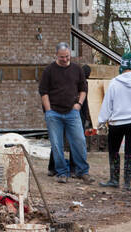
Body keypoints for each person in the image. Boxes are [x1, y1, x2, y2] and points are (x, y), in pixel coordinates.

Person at [96, 52, 131, 191]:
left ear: (121, 66)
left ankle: (114, 179)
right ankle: (127, 182)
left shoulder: (114, 83)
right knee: (130, 151)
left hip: (117, 123)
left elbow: (108, 103)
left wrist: (102, 121)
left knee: (114, 150)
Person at [38, 42, 91, 183]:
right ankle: (61, 172)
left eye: (67, 56)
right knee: (56, 144)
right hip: (54, 113)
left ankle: (82, 171)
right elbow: (43, 92)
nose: (65, 59)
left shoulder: (77, 69)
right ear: (56, 55)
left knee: (79, 141)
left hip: (72, 112)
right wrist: (48, 110)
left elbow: (83, 89)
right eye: (62, 57)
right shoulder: (49, 71)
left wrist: (79, 104)